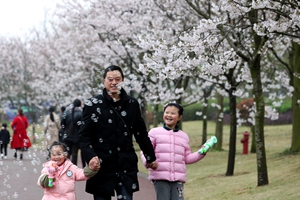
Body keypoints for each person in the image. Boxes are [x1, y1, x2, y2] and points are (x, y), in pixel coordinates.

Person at [79, 65, 158, 200]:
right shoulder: (93, 105)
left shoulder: (132, 104)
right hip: (102, 165)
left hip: (125, 164)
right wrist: (90, 156)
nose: (114, 82)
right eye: (110, 79)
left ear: (123, 81)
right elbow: (84, 136)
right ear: (104, 81)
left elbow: (141, 134)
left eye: (117, 79)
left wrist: (151, 157)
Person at [141, 103, 207, 200]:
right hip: (160, 177)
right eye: (167, 112)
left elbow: (186, 158)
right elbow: (145, 151)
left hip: (178, 179)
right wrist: (149, 161)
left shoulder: (184, 136)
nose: (169, 115)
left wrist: (201, 153)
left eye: (173, 113)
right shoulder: (154, 133)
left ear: (180, 117)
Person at [61, 99, 84, 167]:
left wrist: (65, 130)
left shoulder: (67, 112)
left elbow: (62, 123)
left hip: (67, 135)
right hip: (76, 137)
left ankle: (65, 167)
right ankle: (73, 169)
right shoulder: (81, 112)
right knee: (74, 153)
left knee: (67, 152)